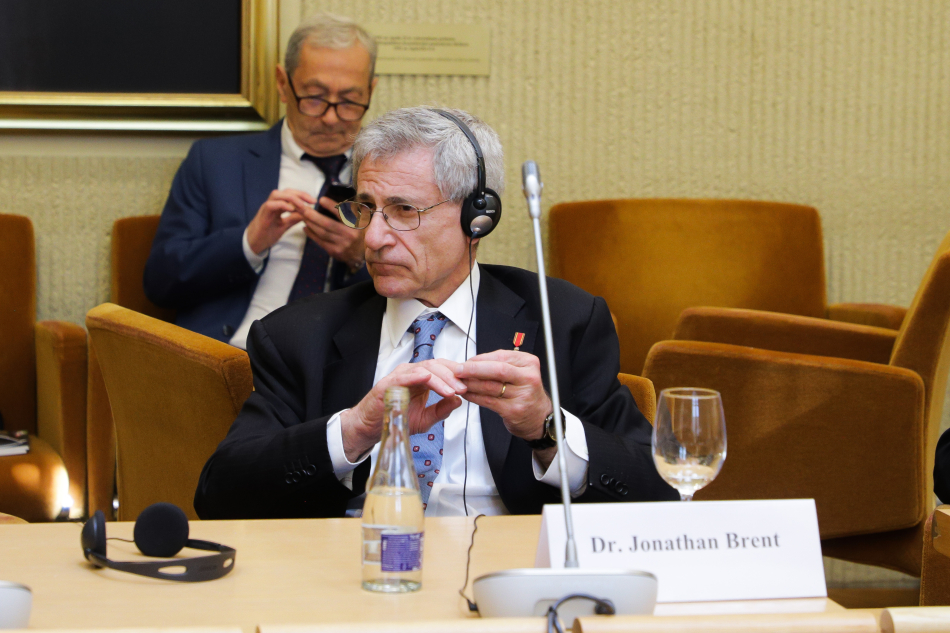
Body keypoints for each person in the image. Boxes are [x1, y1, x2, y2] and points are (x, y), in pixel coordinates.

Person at [194, 107, 678, 519]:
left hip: (504, 574)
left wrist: (546, 429)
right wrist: (356, 429)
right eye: (366, 208)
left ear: (477, 218)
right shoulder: (297, 335)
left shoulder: (563, 321)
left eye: (404, 210)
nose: (373, 238)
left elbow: (661, 492)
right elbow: (220, 496)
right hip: (355, 569)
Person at [144, 14, 377, 347]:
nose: (330, 118)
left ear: (371, 90)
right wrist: (248, 243)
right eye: (314, 97)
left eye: (350, 101)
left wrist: (358, 258)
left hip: (332, 364)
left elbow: (422, 295)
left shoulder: (392, 176)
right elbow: (161, 282)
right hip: (227, 355)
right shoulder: (215, 162)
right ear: (283, 84)